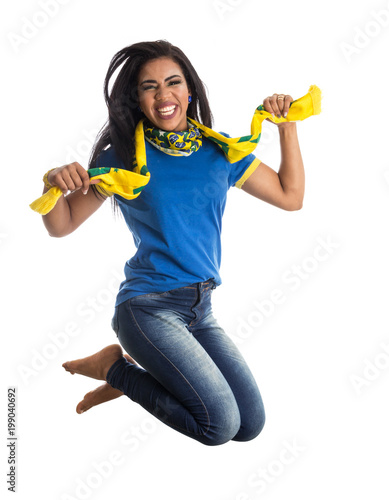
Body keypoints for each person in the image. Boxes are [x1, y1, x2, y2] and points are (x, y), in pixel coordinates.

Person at [42, 40, 305, 446]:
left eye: (173, 82)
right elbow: (62, 225)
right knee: (218, 427)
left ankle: (131, 375)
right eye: (149, 87)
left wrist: (286, 126)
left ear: (190, 91)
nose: (163, 95)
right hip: (148, 308)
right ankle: (118, 370)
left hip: (200, 309)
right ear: (138, 99)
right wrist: (53, 185)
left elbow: (291, 196)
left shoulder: (223, 152)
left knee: (249, 425)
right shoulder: (124, 159)